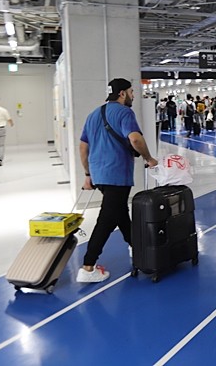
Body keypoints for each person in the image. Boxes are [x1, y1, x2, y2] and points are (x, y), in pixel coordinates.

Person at [78, 78, 158, 283]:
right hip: (117, 174)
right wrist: (149, 158)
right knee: (107, 219)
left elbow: (83, 148)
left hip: (100, 175)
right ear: (122, 93)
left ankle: (136, 248)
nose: (132, 95)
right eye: (131, 92)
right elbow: (135, 139)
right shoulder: (124, 113)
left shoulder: (93, 114)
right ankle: (88, 266)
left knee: (121, 213)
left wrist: (88, 175)